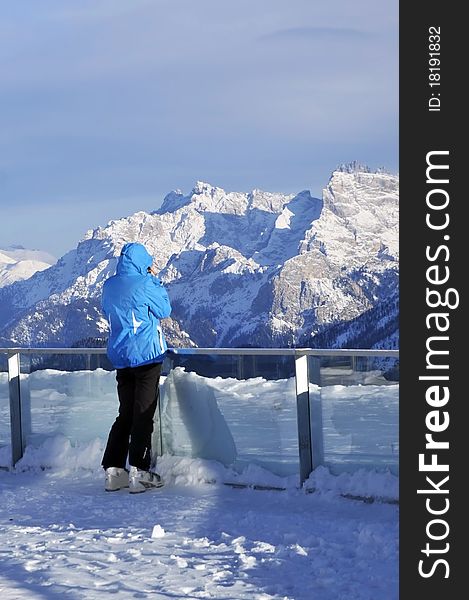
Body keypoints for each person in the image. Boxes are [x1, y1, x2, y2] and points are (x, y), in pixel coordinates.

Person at [101, 242, 171, 493]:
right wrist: (156, 281)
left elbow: (106, 310)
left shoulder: (109, 285)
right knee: (143, 414)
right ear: (143, 263)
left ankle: (113, 470)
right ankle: (140, 472)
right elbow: (164, 309)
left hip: (121, 357)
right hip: (146, 356)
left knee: (125, 413)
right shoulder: (146, 283)